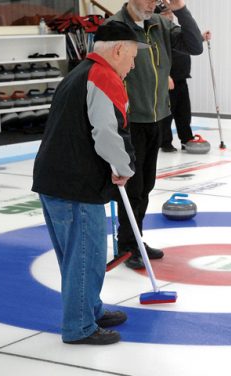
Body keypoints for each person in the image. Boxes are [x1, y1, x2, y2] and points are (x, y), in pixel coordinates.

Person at [32, 21, 147, 345]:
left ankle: (89, 309)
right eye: (133, 56)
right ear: (119, 49)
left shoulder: (80, 72)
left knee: (76, 257)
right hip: (75, 185)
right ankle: (80, 326)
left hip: (55, 180)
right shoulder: (103, 76)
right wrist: (124, 167)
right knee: (86, 257)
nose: (133, 64)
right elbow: (106, 133)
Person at [108, 0, 204, 269]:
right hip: (128, 121)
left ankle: (136, 240)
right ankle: (126, 245)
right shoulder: (115, 27)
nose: (154, 2)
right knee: (132, 187)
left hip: (158, 117)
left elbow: (195, 46)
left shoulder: (160, 24)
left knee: (146, 186)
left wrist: (181, 9)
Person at [158, 9, 212, 152]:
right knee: (167, 113)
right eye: (165, 13)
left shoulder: (174, 30)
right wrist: (164, 76)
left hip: (181, 77)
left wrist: (200, 38)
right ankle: (165, 142)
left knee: (183, 112)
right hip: (168, 80)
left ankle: (186, 138)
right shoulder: (159, 32)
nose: (169, 15)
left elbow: (185, 41)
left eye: (170, 13)